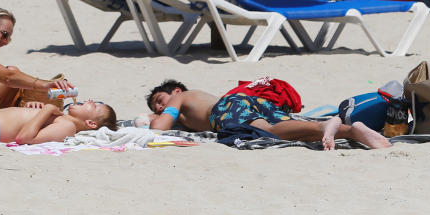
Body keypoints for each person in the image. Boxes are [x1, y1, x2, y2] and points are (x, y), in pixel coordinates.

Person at [138, 79, 391, 150]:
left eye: (159, 101)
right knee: (291, 131)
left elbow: (159, 128)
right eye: (155, 107)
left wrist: (152, 118)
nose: (159, 108)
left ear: (176, 90)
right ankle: (351, 131)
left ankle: (326, 124)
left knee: (267, 133)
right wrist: (153, 115)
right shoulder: (188, 108)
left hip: (227, 109)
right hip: (248, 102)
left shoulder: (182, 97)